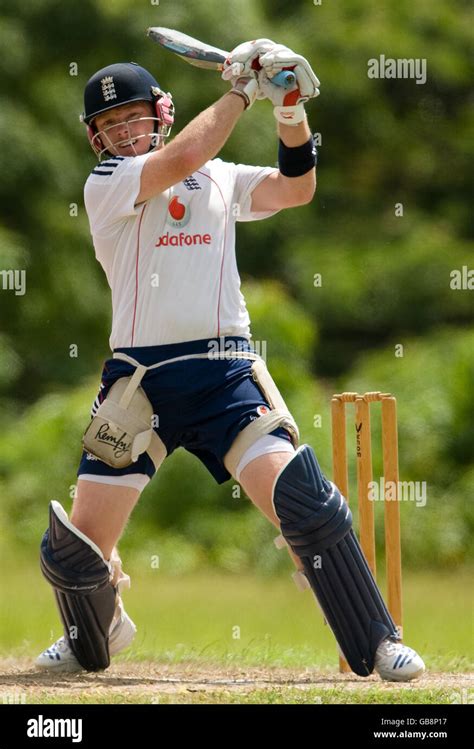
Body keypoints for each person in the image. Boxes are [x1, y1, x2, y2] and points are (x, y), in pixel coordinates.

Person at [36, 40, 424, 681]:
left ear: (159, 112)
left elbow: (295, 189)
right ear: (94, 139)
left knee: (304, 505)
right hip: (139, 384)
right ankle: (93, 634)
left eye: (133, 118)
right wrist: (244, 89)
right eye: (109, 126)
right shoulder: (108, 185)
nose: (124, 133)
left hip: (224, 376)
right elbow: (187, 152)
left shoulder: (218, 178)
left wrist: (290, 109)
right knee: (78, 551)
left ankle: (380, 641)